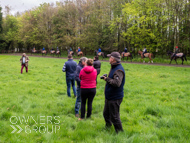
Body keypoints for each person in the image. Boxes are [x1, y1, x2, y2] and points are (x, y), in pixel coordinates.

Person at [102, 52, 125, 133]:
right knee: (106, 114)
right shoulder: (114, 67)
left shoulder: (118, 70)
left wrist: (107, 79)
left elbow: (117, 83)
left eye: (109, 57)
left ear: (113, 59)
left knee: (115, 117)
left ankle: (120, 133)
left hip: (115, 97)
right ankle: (108, 127)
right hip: (110, 96)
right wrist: (107, 78)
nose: (109, 59)